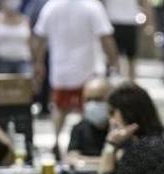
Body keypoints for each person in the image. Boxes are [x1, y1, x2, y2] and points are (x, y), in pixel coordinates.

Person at [32, 0, 120, 152]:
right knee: (88, 110)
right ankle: (85, 143)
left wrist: (37, 63)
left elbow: (39, 38)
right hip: (88, 70)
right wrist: (114, 62)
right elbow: (106, 37)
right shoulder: (92, 6)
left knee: (60, 109)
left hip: (60, 70)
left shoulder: (51, 6)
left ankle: (56, 141)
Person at [66, 78, 113, 161]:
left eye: (98, 99)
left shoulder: (118, 129)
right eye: (88, 100)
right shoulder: (79, 128)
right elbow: (72, 158)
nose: (92, 104)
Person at [105, 0, 152, 81]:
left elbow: (145, 2)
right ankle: (111, 83)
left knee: (131, 57)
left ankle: (131, 86)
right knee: (111, 55)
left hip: (129, 21)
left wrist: (149, 23)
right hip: (112, 21)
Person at [0, 0, 33, 75]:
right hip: (2, 61)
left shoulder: (25, 20)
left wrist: (34, 62)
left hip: (23, 61)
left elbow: (30, 43)